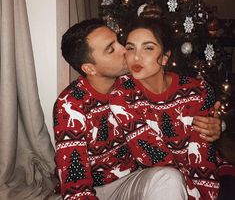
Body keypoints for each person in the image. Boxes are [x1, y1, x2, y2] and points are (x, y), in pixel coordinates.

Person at [53, 18, 221, 200]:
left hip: (133, 180)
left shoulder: (132, 82)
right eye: (111, 49)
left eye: (119, 40)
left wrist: (212, 124)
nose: (125, 50)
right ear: (90, 68)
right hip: (96, 190)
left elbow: (178, 106)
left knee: (169, 178)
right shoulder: (70, 105)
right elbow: (75, 185)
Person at [109, 17, 234, 199]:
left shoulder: (198, 90)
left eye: (148, 48)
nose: (136, 57)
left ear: (165, 57)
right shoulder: (122, 95)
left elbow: (202, 153)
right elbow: (154, 158)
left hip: (208, 174)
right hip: (163, 180)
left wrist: (205, 195)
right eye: (130, 48)